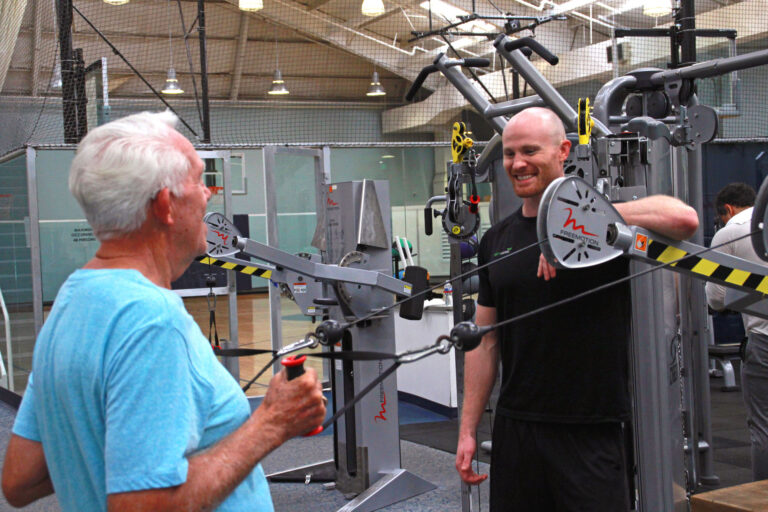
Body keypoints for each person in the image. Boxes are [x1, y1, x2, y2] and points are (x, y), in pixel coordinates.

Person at [1, 111, 326, 512]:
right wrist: (271, 423)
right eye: (198, 181)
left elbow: (20, 478)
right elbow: (142, 506)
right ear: (165, 205)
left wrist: (112, 444)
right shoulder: (152, 321)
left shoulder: (71, 303)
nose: (208, 194)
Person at [454, 107, 699, 511]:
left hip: (591, 427)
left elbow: (684, 219)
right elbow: (485, 341)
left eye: (530, 151)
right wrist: (467, 429)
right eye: (510, 154)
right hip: (517, 427)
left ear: (562, 151)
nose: (518, 163)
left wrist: (575, 219)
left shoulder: (602, 229)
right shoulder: (496, 239)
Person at [705, 182, 768, 481]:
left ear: (727, 210)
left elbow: (716, 299)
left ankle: (763, 499)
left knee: (764, 426)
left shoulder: (730, 232)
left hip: (764, 340)